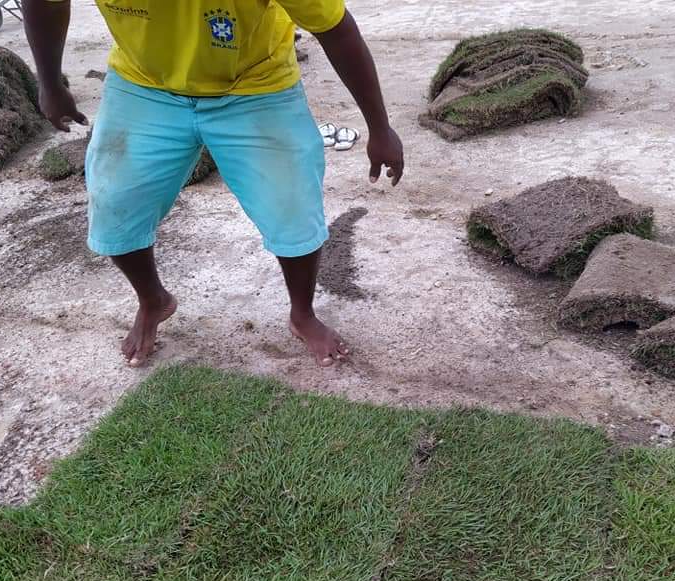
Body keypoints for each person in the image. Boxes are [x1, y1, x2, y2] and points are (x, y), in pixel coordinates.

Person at [22, 0, 404, 367]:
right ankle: (153, 300)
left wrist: (380, 127)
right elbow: (45, 3)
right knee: (114, 205)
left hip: (256, 83)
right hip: (144, 83)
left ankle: (302, 314)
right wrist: (50, 84)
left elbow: (336, 28)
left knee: (293, 209)